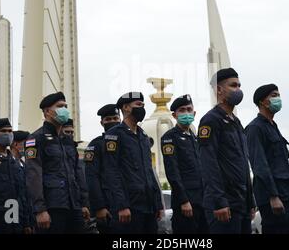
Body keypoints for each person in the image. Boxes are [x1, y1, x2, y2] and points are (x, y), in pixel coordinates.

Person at [198, 68, 256, 234]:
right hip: (224, 205)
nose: (238, 89)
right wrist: (219, 202)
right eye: (233, 85)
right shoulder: (210, 121)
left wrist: (250, 201)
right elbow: (209, 164)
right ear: (219, 90)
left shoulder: (236, 122)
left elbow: (243, 164)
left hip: (241, 204)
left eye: (239, 85)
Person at [25, 92, 90, 234]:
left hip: (74, 205)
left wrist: (84, 203)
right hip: (52, 207)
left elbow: (78, 173)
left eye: (66, 106)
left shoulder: (68, 141)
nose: (64, 110)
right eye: (60, 106)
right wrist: (40, 210)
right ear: (47, 111)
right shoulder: (36, 138)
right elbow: (33, 176)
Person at [103, 92, 163, 233]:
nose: (142, 108)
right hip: (130, 206)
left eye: (143, 105)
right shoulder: (114, 135)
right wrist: (122, 205)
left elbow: (149, 171)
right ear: (126, 108)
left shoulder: (143, 136)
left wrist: (158, 204)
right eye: (138, 105)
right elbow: (112, 172)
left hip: (149, 205)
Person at [245, 84, 289, 234]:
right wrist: (273, 196)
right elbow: (260, 165)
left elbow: (282, 164)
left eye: (278, 95)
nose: (278, 99)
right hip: (272, 196)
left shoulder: (273, 126)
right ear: (263, 102)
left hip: (285, 194)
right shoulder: (255, 128)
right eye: (274, 95)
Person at [161, 94, 208, 234]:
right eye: (182, 110)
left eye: (189, 109)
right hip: (187, 202)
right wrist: (183, 201)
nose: (186, 113)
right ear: (174, 115)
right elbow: (172, 171)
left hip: (203, 200)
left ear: (194, 113)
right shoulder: (170, 138)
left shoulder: (196, 138)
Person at [84, 104, 121, 233]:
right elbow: (91, 177)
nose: (112, 122)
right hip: (109, 205)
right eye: (108, 119)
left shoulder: (128, 142)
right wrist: (100, 207)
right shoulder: (96, 145)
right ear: (102, 123)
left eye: (115, 118)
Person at [12, 130, 34, 234]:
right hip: (13, 215)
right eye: (27, 144)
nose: (29, 147)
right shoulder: (9, 165)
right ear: (16, 144)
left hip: (26, 215)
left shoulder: (23, 165)